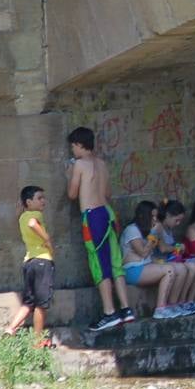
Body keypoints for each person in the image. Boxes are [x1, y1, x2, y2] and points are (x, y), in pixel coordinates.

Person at [66, 126, 134, 333]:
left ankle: (109, 312)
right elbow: (107, 192)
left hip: (92, 217)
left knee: (99, 265)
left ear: (79, 145)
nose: (72, 151)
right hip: (107, 213)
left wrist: (69, 174)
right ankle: (126, 308)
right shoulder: (102, 164)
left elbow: (72, 194)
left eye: (73, 146)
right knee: (115, 263)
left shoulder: (79, 165)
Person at [5, 185, 54, 346]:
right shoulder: (35, 215)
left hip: (29, 262)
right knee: (41, 304)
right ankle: (38, 341)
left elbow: (28, 222)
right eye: (39, 198)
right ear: (29, 202)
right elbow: (33, 224)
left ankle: (10, 329)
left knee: (28, 302)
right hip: (42, 261)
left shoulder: (22, 217)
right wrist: (47, 240)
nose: (43, 202)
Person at [120, 201, 183, 320]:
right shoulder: (131, 230)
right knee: (169, 270)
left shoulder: (148, 229)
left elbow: (155, 252)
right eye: (152, 216)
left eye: (156, 216)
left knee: (177, 268)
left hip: (145, 266)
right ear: (143, 216)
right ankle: (160, 309)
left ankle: (173, 305)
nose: (155, 219)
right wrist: (153, 234)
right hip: (132, 270)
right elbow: (143, 253)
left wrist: (160, 261)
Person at [152, 199, 195, 316]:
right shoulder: (159, 227)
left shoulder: (169, 228)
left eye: (180, 221)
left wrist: (177, 248)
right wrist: (177, 247)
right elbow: (163, 248)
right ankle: (175, 303)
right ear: (167, 215)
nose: (178, 224)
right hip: (159, 261)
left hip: (171, 260)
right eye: (176, 220)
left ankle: (188, 301)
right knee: (190, 267)